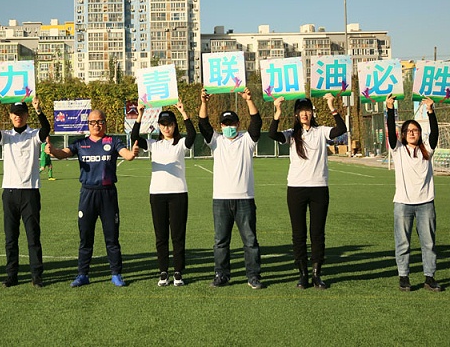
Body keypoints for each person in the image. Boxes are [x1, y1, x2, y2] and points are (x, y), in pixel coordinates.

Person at [46, 110, 139, 287]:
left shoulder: (112, 141)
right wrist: (52, 151)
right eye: (92, 122)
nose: (96, 125)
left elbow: (127, 155)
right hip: (87, 194)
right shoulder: (81, 143)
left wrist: (133, 153)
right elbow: (63, 153)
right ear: (88, 124)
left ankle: (116, 273)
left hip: (108, 194)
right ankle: (83, 274)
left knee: (112, 237)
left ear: (105, 123)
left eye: (100, 121)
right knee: (85, 237)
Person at [269, 95, 346, 290]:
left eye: (307, 110)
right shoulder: (291, 134)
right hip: (296, 188)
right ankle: (302, 273)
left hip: (319, 187)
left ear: (312, 113)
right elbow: (272, 134)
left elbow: (341, 130)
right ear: (296, 114)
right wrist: (277, 113)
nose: (304, 114)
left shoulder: (321, 131)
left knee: (317, 233)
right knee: (299, 233)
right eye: (301, 111)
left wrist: (332, 107)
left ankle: (316, 273)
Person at [198, 87, 264, 290]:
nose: (229, 127)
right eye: (225, 124)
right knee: (220, 242)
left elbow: (257, 123)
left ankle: (253, 276)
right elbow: (202, 124)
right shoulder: (216, 141)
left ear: (238, 124)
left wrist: (248, 100)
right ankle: (221, 274)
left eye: (232, 123)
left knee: (250, 241)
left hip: (245, 198)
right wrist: (204, 102)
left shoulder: (247, 140)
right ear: (221, 126)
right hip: (221, 199)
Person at [131, 100, 195, 287]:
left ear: (175, 126)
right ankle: (163, 272)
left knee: (178, 235)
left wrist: (184, 113)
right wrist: (140, 114)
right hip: (157, 194)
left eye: (170, 124)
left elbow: (192, 135)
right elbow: (135, 136)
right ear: (159, 126)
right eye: (163, 125)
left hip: (178, 194)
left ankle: (178, 272)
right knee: (161, 236)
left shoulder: (181, 143)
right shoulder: (153, 144)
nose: (167, 128)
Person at [0, 96, 50, 288]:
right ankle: (12, 275)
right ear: (10, 116)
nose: (18, 117)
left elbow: (46, 130)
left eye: (21, 114)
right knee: (10, 237)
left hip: (30, 191)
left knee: (33, 236)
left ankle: (36, 275)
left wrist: (39, 110)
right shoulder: (6, 136)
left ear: (26, 115)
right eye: (15, 114)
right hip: (10, 192)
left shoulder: (34, 135)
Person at [386, 94, 444, 293]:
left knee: (428, 243)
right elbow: (391, 135)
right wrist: (390, 109)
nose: (412, 133)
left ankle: (429, 277)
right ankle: (404, 277)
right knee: (403, 242)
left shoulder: (427, 149)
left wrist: (430, 111)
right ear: (403, 134)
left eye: (415, 130)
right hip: (403, 203)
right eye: (408, 130)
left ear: (420, 133)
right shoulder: (398, 150)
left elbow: (434, 134)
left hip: (426, 203)